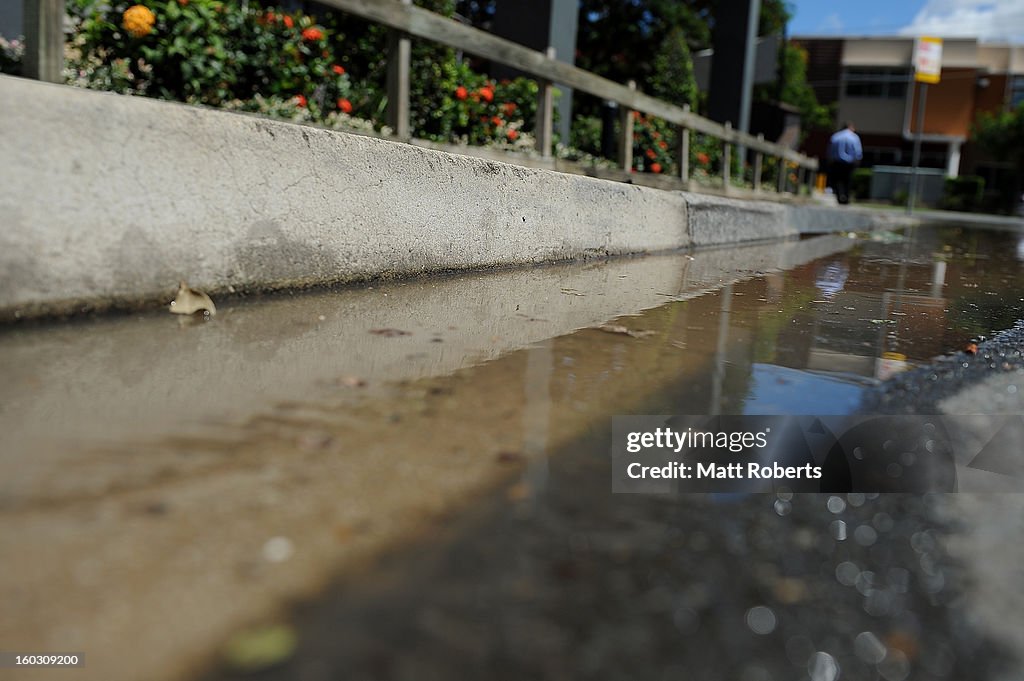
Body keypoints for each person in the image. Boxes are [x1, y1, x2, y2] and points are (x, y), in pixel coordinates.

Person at [827, 122, 863, 205]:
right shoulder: (854, 137)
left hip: (837, 163)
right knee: (848, 181)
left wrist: (829, 161)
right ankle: (846, 198)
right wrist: (857, 161)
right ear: (850, 127)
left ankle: (839, 197)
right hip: (849, 163)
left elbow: (830, 151)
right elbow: (858, 152)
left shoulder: (835, 136)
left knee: (837, 181)